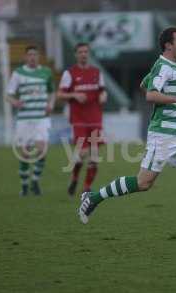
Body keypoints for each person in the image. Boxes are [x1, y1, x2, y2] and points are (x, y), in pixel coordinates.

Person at [78, 27, 176, 241]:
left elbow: (145, 84)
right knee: (144, 183)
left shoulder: (166, 66)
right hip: (162, 136)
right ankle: (93, 198)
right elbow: (150, 94)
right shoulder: (165, 67)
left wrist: (170, 97)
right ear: (168, 45)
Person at [57, 42, 107, 196]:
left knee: (94, 156)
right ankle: (74, 177)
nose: (83, 54)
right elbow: (59, 95)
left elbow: (103, 91)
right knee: (83, 152)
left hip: (95, 119)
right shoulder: (69, 73)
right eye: (80, 52)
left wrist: (104, 96)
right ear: (76, 54)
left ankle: (86, 187)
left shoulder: (96, 72)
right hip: (78, 119)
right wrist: (74, 95)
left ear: (88, 53)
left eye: (86, 52)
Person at [7, 45, 55, 196]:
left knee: (42, 150)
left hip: (41, 118)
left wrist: (51, 104)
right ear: (25, 57)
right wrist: (14, 102)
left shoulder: (46, 72)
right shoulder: (18, 73)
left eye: (35, 54)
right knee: (25, 153)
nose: (32, 57)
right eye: (30, 55)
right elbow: (8, 94)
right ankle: (24, 186)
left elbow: (52, 92)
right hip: (25, 119)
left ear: (39, 56)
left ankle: (35, 181)